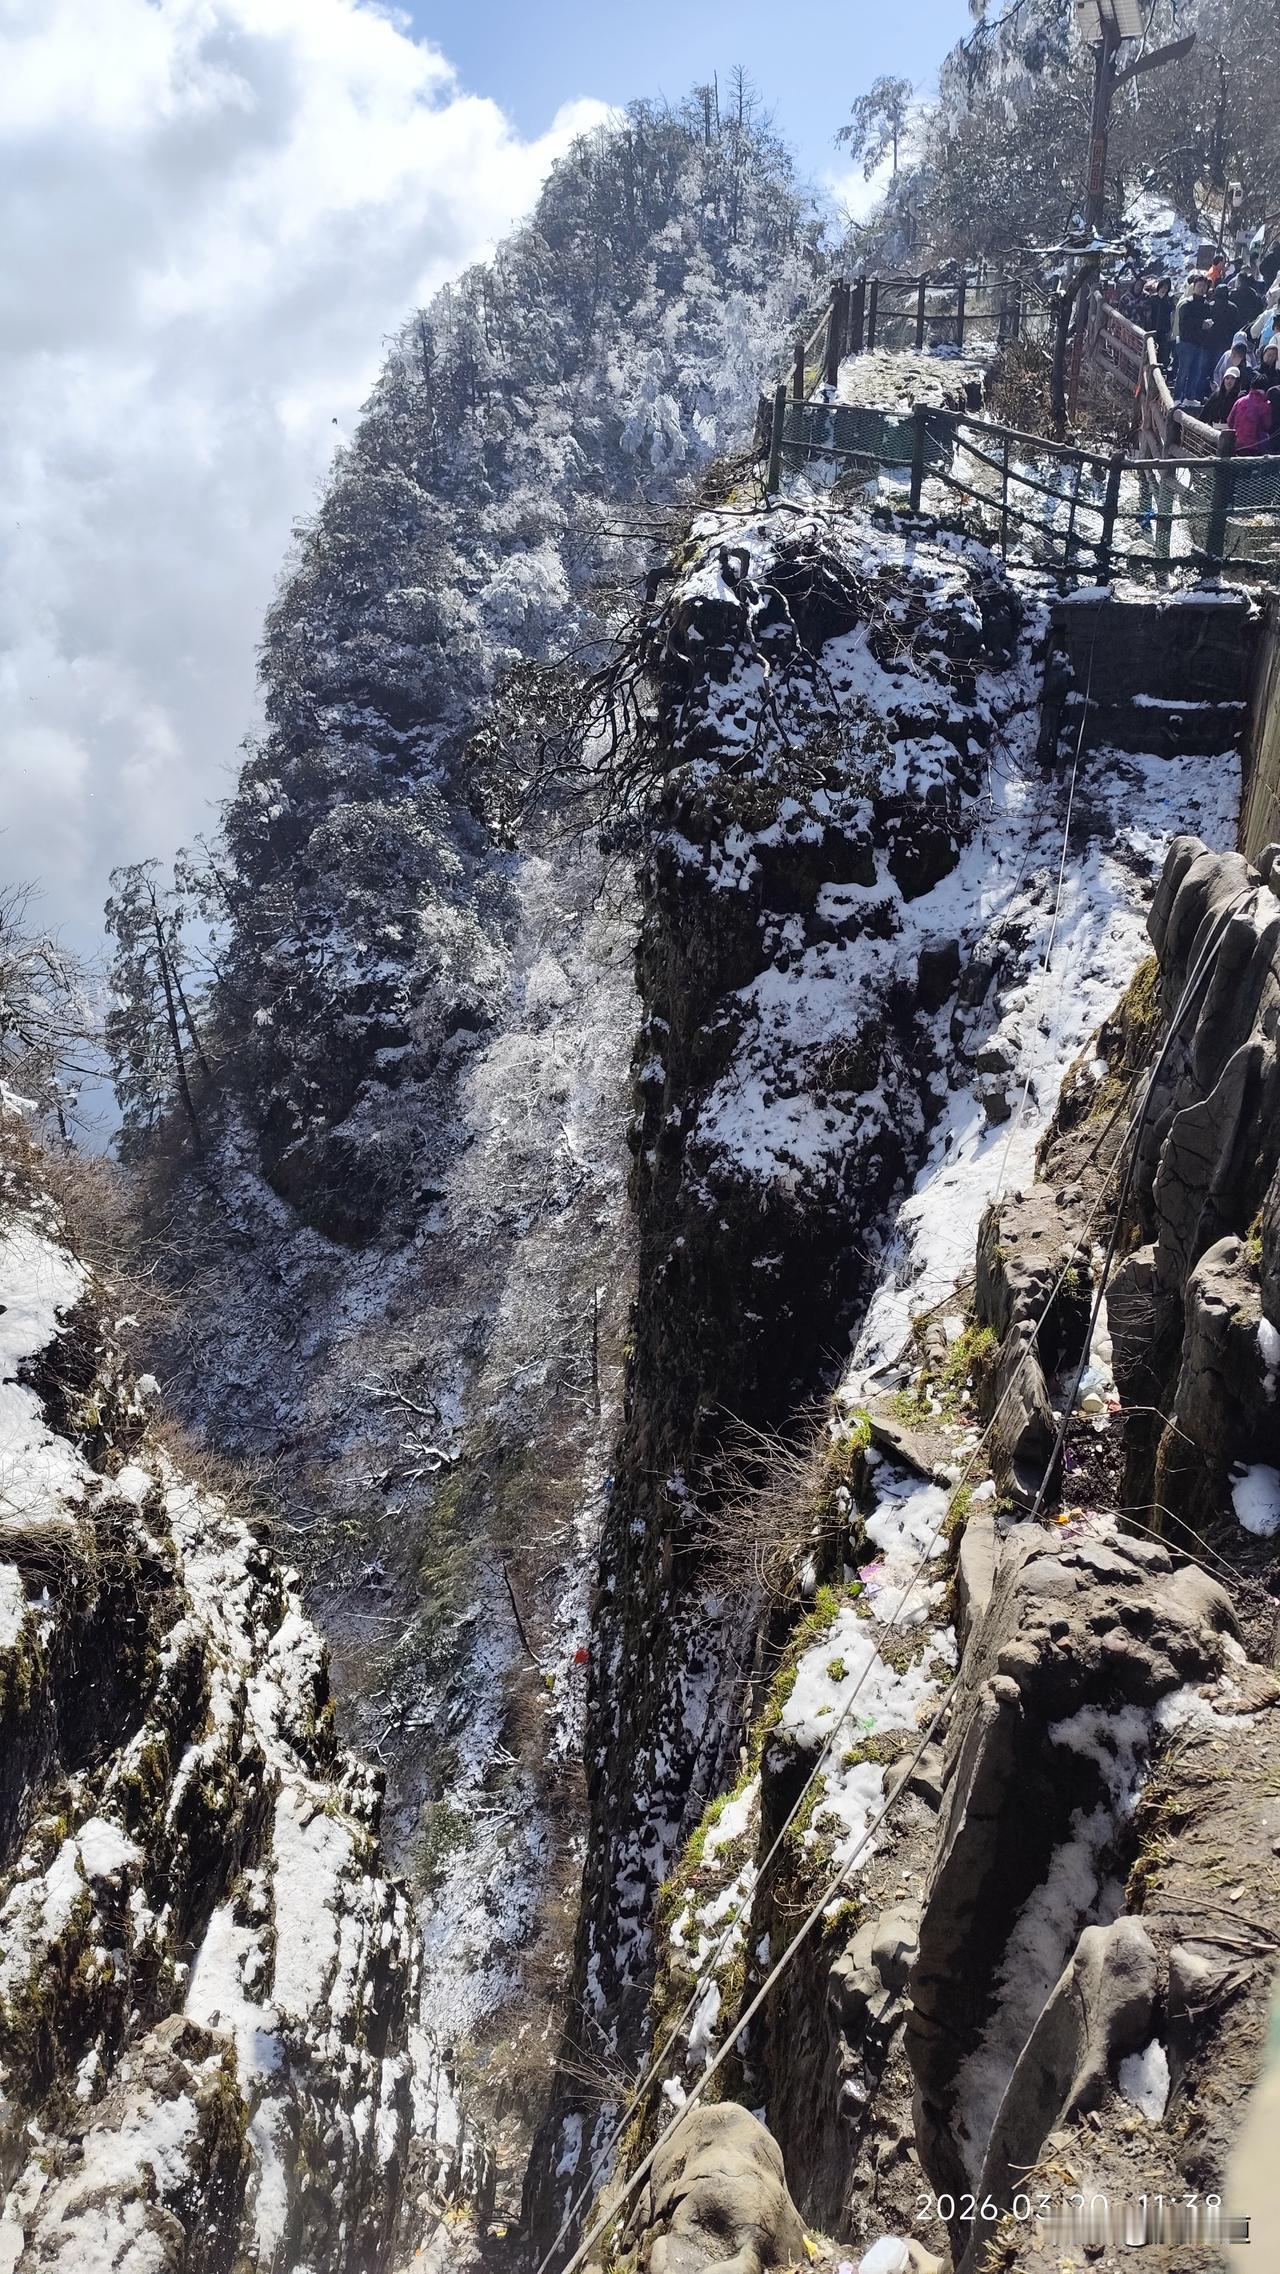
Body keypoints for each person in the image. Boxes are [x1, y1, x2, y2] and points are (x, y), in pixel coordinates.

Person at [1174, 273, 1215, 400]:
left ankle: (1189, 397)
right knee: (1183, 371)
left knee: (1195, 373)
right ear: (1194, 286)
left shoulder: (1207, 305)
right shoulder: (1186, 304)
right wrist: (1200, 323)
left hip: (1200, 343)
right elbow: (1184, 323)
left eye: (1204, 286)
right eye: (1199, 286)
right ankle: (1177, 397)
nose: (1202, 288)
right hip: (1186, 342)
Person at [1226, 372, 1272, 454]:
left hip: (1237, 446)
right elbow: (1267, 426)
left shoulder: (1239, 401)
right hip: (1255, 448)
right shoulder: (1265, 405)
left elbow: (1229, 421)